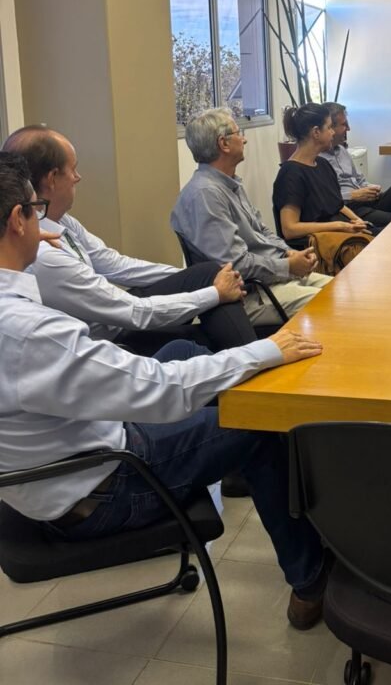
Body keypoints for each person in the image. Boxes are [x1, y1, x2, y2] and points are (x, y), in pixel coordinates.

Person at [0, 151, 327, 629]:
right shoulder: (31, 332)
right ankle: (312, 579)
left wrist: (31, 255)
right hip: (103, 487)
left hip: (59, 459)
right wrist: (265, 350)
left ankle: (258, 458)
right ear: (17, 219)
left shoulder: (21, 305)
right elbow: (161, 390)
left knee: (183, 350)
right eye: (36, 211)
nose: (44, 221)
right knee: (253, 424)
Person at [3, 125, 256, 356]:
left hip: (115, 317)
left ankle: (255, 361)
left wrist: (193, 279)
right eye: (73, 169)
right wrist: (215, 293)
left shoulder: (61, 221)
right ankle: (258, 366)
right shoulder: (47, 256)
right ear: (52, 178)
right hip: (110, 341)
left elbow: (114, 264)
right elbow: (135, 313)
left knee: (208, 277)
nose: (78, 177)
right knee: (208, 333)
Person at [172, 108, 332, 327]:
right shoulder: (205, 195)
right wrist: (287, 266)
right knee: (334, 305)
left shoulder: (229, 183)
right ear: (224, 144)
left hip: (271, 277)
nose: (244, 139)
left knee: (343, 291)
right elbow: (235, 265)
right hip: (250, 294)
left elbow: (262, 231)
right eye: (238, 133)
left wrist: (288, 252)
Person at [273, 104, 369, 247]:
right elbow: (290, 229)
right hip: (319, 245)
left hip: (339, 233)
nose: (333, 132)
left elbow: (338, 205)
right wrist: (339, 226)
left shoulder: (323, 164)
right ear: (316, 132)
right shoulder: (290, 174)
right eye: (329, 127)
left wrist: (358, 221)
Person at [319, 103, 391, 226]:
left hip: (365, 200)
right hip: (348, 208)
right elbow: (324, 198)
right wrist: (352, 195)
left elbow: (359, 179)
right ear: (330, 128)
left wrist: (370, 189)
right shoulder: (317, 159)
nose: (348, 129)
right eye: (344, 124)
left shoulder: (342, 150)